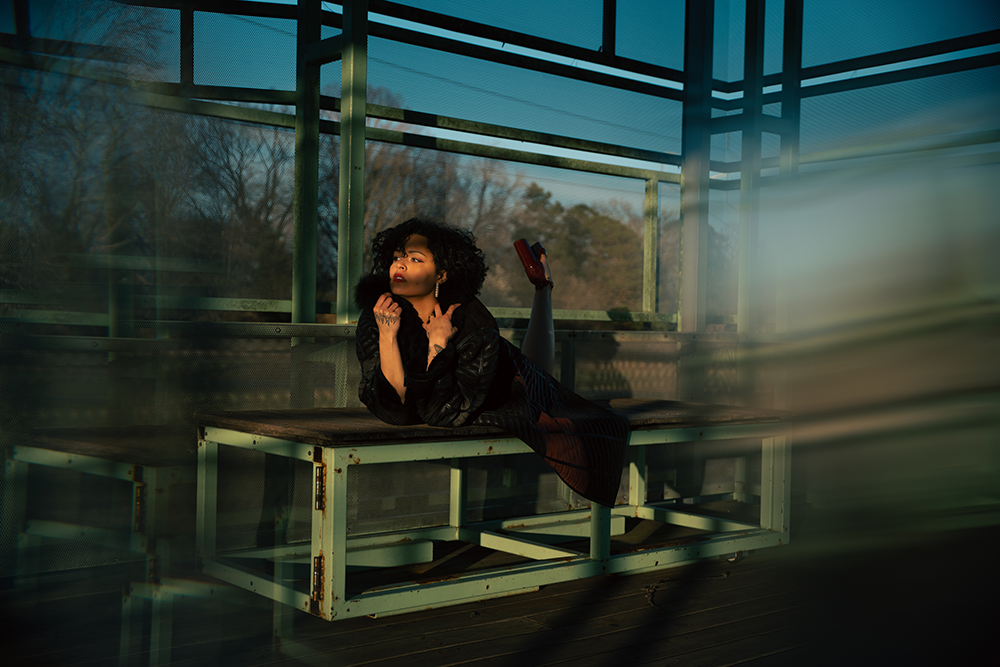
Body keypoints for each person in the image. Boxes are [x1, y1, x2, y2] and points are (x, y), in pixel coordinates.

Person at [354, 218, 627, 506]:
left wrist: (438, 345)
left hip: (505, 381)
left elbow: (443, 414)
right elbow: (394, 408)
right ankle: (543, 288)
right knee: (530, 373)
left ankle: (543, 288)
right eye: (397, 257)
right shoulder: (379, 316)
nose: (400, 264)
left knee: (533, 379)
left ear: (442, 274)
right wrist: (388, 335)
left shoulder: (472, 320)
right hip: (478, 379)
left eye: (415, 258)